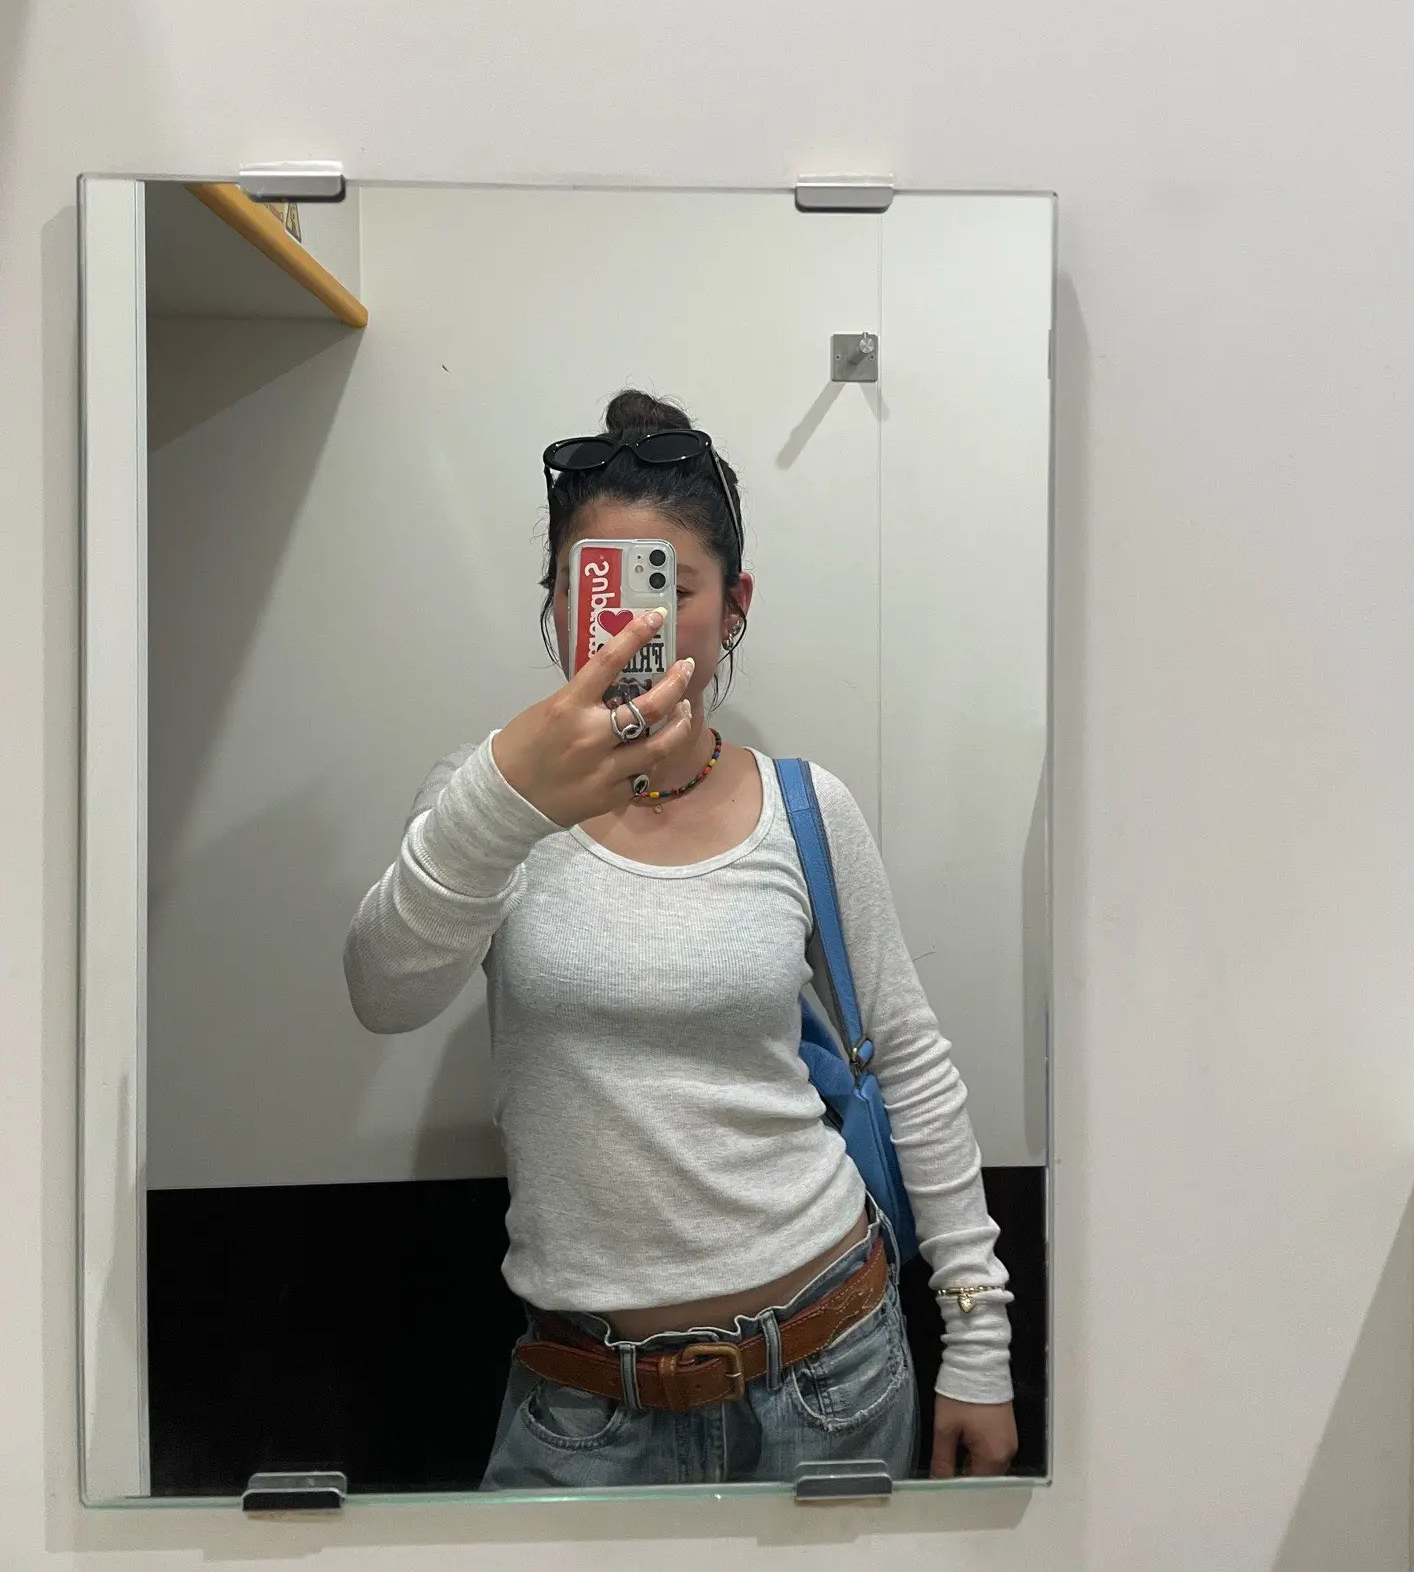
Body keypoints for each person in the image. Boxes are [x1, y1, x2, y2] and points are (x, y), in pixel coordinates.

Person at [344, 389, 1018, 1489]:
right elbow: (383, 993)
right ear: (555, 600)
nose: (629, 627)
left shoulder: (805, 808)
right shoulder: (488, 800)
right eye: (592, 589)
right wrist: (506, 801)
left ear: (734, 604)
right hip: (582, 1405)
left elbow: (912, 1059)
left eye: (670, 590)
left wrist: (979, 1338)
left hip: (832, 1370)